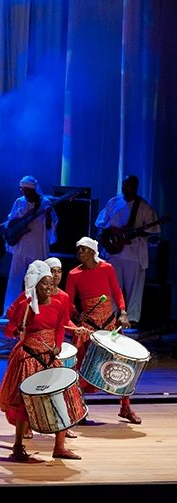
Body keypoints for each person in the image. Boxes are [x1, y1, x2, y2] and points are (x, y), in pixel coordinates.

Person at [0, 260, 78, 461]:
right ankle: (17, 446)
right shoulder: (25, 306)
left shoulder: (59, 304)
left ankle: (59, 446)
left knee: (62, 399)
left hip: (50, 358)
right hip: (29, 358)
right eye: (44, 283)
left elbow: (59, 328)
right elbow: (9, 329)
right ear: (36, 285)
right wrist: (17, 330)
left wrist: (58, 345)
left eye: (51, 283)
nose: (49, 287)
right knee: (26, 404)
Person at [66, 236, 140, 424]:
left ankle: (125, 407)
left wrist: (123, 312)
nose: (79, 252)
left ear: (92, 251)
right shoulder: (74, 274)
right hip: (89, 326)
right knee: (82, 366)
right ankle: (79, 409)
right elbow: (68, 302)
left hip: (109, 324)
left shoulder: (107, 268)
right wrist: (76, 314)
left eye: (83, 249)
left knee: (122, 365)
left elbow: (117, 292)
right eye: (77, 249)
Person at [95, 175, 161, 326]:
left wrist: (135, 233)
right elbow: (101, 223)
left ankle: (131, 319)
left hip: (134, 255)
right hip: (114, 253)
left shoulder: (144, 207)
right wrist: (106, 236)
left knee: (133, 290)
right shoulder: (113, 202)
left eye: (129, 185)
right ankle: (110, 316)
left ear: (136, 187)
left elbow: (153, 229)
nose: (125, 188)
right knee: (112, 287)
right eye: (124, 185)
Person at [0, 176, 58, 313]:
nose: (25, 193)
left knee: (38, 279)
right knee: (15, 278)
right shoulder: (19, 202)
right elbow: (13, 221)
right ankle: (9, 310)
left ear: (34, 190)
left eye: (27, 190)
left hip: (38, 247)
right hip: (21, 246)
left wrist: (49, 215)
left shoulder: (45, 203)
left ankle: (38, 309)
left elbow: (50, 226)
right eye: (23, 190)